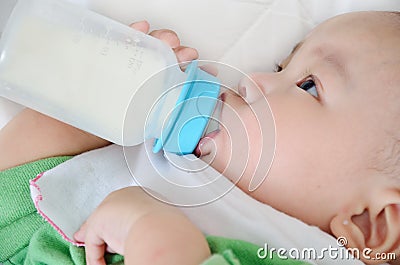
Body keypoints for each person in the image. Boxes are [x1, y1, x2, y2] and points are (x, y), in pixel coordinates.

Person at [1, 10, 399, 265]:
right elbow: (10, 217)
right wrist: (93, 102)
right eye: (281, 65)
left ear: (374, 226)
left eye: (308, 86)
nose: (253, 80)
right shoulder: (167, 171)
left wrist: (157, 235)